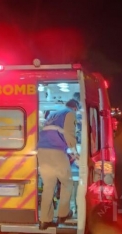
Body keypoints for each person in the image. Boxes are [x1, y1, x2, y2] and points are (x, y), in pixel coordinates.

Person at [37, 99, 79, 230]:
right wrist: (75, 152)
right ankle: (63, 214)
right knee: (67, 183)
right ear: (75, 107)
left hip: (42, 152)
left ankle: (45, 220)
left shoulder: (53, 114)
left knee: (49, 186)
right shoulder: (70, 113)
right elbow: (69, 133)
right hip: (56, 152)